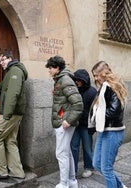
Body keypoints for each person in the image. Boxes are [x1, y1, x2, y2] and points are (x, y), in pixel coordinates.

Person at [45, 55, 83, 188]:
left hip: (64, 123)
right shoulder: (60, 79)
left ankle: (64, 183)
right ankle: (72, 181)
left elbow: (78, 104)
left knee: (61, 153)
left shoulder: (65, 79)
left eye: (50, 68)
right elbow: (66, 100)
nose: (49, 70)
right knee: (66, 153)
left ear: (57, 68)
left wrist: (68, 120)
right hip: (63, 120)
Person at [89, 61, 127, 188]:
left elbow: (115, 110)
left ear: (104, 73)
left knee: (106, 168)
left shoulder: (112, 86)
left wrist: (99, 118)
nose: (95, 78)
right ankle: (120, 185)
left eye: (97, 75)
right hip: (105, 130)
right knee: (97, 164)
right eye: (94, 75)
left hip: (113, 131)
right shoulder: (103, 87)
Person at [70, 69, 97, 178]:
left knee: (87, 147)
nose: (77, 82)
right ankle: (73, 169)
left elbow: (95, 110)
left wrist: (93, 125)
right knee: (74, 147)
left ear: (84, 80)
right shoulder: (74, 90)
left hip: (86, 125)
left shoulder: (92, 92)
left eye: (79, 80)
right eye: (75, 80)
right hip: (75, 124)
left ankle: (89, 167)